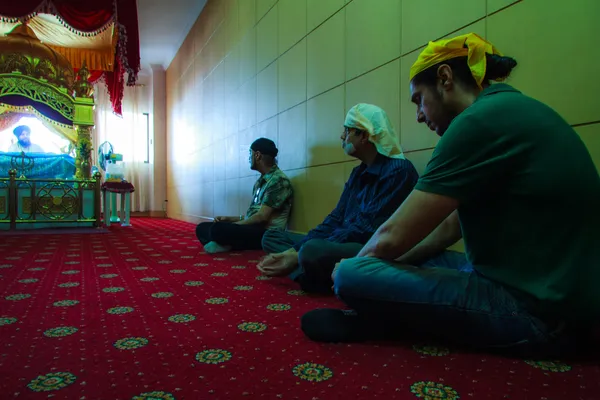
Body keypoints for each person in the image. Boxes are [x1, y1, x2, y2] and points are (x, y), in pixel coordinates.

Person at [300, 33, 600, 358]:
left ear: (444, 78)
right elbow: (448, 229)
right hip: (564, 299)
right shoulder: (511, 109)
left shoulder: (476, 122)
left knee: (350, 274)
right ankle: (399, 313)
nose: (417, 114)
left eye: (418, 99)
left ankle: (389, 318)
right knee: (418, 256)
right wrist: (393, 264)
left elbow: (391, 235)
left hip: (541, 316)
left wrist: (359, 274)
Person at [258, 104, 419, 293]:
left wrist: (302, 251)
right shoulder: (358, 172)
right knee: (272, 236)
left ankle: (308, 274)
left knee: (312, 251)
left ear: (364, 136)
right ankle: (309, 273)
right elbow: (336, 217)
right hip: (342, 241)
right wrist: (294, 251)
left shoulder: (398, 170)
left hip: (369, 247)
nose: (342, 136)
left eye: (347, 130)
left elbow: (365, 229)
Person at [195, 138, 293, 253]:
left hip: (267, 234)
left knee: (217, 229)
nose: (248, 158)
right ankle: (229, 243)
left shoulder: (278, 181)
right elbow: (252, 215)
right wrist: (229, 219)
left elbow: (262, 217)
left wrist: (235, 226)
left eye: (249, 154)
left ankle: (228, 242)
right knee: (202, 228)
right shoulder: (260, 182)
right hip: (252, 228)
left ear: (257, 155)